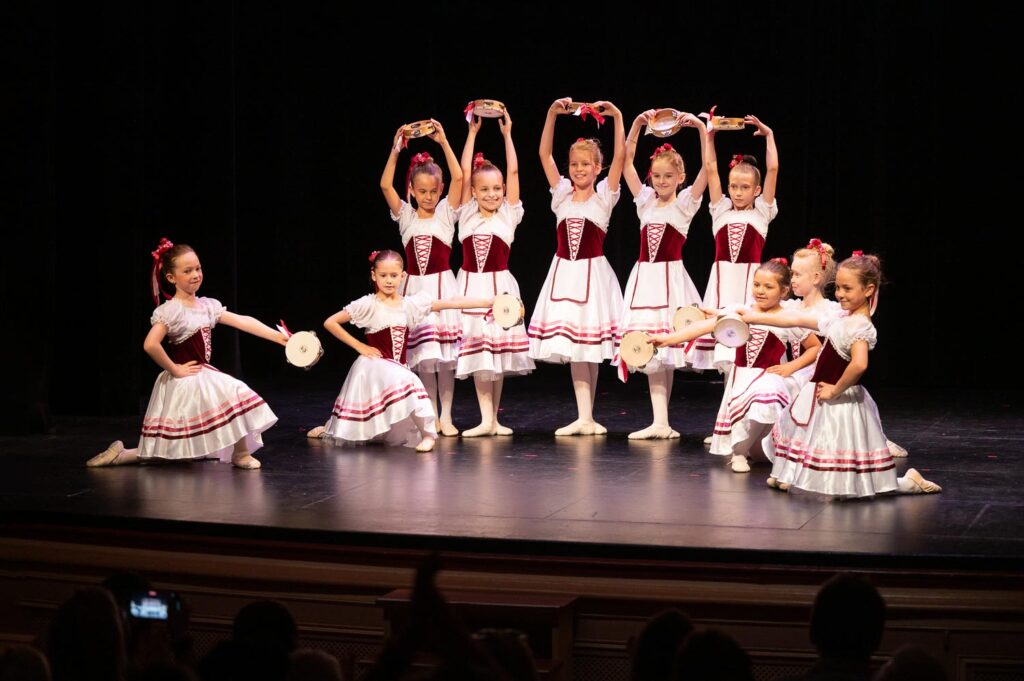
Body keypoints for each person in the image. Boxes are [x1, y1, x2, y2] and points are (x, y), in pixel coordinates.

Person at [739, 253, 940, 496]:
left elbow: (859, 365)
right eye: (838, 288)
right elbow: (796, 318)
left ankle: (907, 483)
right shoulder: (841, 317)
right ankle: (786, 474)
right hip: (821, 392)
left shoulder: (860, 326)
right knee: (806, 436)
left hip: (840, 398)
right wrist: (753, 317)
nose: (840, 294)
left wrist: (836, 389)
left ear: (868, 290)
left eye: (847, 288)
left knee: (845, 471)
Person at [87, 239, 284, 470]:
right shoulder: (172, 310)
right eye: (187, 270)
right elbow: (150, 344)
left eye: (198, 268)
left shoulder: (207, 305)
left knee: (231, 398)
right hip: (185, 379)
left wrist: (278, 337)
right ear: (171, 278)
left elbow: (243, 321)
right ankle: (121, 455)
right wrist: (175, 368)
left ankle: (239, 453)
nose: (195, 274)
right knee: (174, 447)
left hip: (202, 375)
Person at [307, 250, 494, 452]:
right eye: (383, 275)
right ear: (373, 275)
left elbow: (452, 302)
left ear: (403, 276)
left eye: (394, 276)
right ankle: (331, 428)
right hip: (373, 367)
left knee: (404, 385)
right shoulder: (368, 304)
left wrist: (488, 302)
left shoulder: (410, 304)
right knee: (410, 382)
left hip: (397, 367)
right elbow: (330, 322)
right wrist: (359, 346)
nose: (389, 281)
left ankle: (428, 436)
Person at [528, 97, 625, 435]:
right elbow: (543, 155)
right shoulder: (562, 197)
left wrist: (617, 118)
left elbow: (621, 158)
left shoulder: (603, 198)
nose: (579, 169)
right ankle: (583, 416)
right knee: (574, 348)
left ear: (598, 168)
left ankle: (589, 416)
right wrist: (552, 113)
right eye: (574, 164)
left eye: (586, 164)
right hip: (563, 275)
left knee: (589, 347)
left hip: (592, 275)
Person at [619, 109, 708, 439]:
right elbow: (626, 163)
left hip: (670, 281)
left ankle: (662, 422)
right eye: (656, 176)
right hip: (644, 279)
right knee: (651, 350)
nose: (661, 181)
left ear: (679, 178)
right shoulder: (645, 202)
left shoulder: (685, 203)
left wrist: (701, 128)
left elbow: (708, 170)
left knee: (665, 348)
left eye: (668, 177)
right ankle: (660, 422)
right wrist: (637, 125)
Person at [381, 120, 464, 435]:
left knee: (445, 359)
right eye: (422, 191)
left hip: (442, 288)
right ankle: (430, 413)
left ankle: (448, 416)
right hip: (414, 290)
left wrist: (444, 141)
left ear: (440, 190)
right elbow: (385, 186)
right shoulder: (406, 217)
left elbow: (459, 176)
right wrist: (395, 149)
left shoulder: (445, 213)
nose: (428, 197)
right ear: (412, 191)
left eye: (433, 191)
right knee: (425, 356)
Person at [455, 107, 534, 437]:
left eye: (496, 189)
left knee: (497, 353)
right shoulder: (465, 213)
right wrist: (472, 134)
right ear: (474, 191)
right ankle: (485, 418)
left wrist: (507, 135)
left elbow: (514, 172)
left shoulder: (508, 216)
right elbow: (462, 172)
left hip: (500, 286)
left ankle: (493, 420)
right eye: (484, 189)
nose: (491, 194)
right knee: (478, 354)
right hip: (471, 286)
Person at [690, 115, 779, 377]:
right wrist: (709, 136)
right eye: (733, 187)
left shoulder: (762, 213)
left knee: (746, 350)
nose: (738, 192)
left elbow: (772, 169)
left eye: (745, 187)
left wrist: (769, 135)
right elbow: (711, 167)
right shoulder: (721, 212)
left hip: (749, 286)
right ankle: (728, 408)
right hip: (722, 285)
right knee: (727, 354)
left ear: (757, 190)